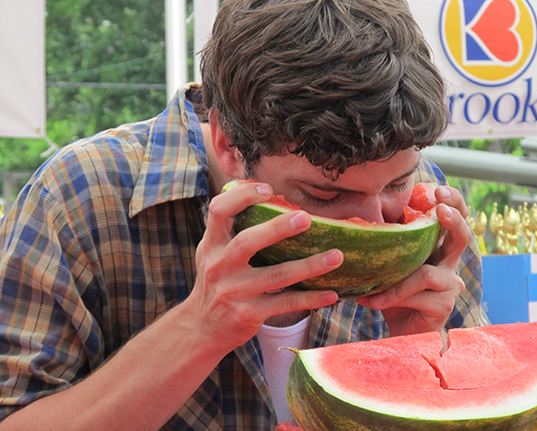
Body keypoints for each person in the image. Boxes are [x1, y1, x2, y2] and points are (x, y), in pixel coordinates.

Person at [0, 0, 488, 429]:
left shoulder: (431, 211)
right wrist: (198, 328)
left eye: (396, 182)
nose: (376, 223)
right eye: (323, 194)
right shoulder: (80, 198)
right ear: (228, 144)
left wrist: (417, 350)